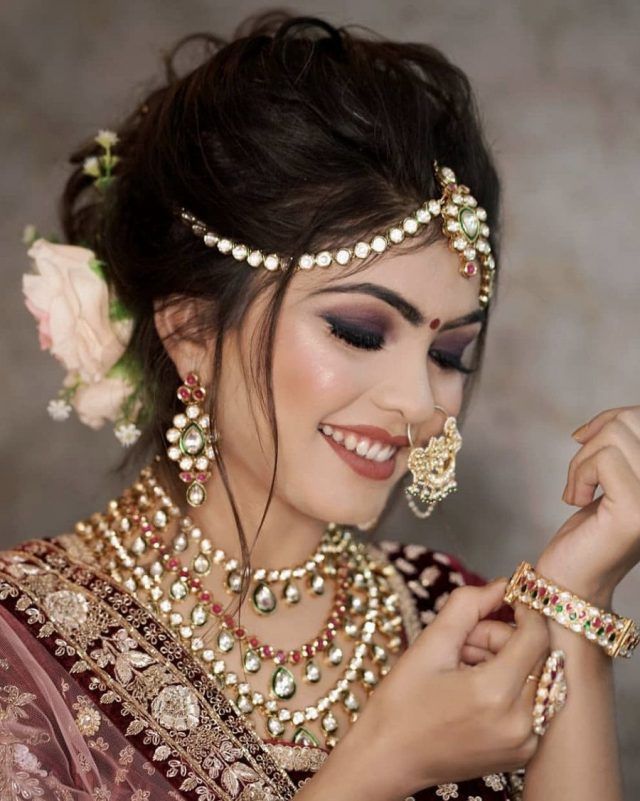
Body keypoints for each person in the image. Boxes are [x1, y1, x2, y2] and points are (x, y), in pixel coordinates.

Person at [3, 11, 639, 801]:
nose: (418, 403)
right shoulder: (24, 646)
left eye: (448, 355)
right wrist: (381, 764)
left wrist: (576, 602)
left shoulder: (459, 621)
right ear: (191, 328)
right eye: (357, 330)